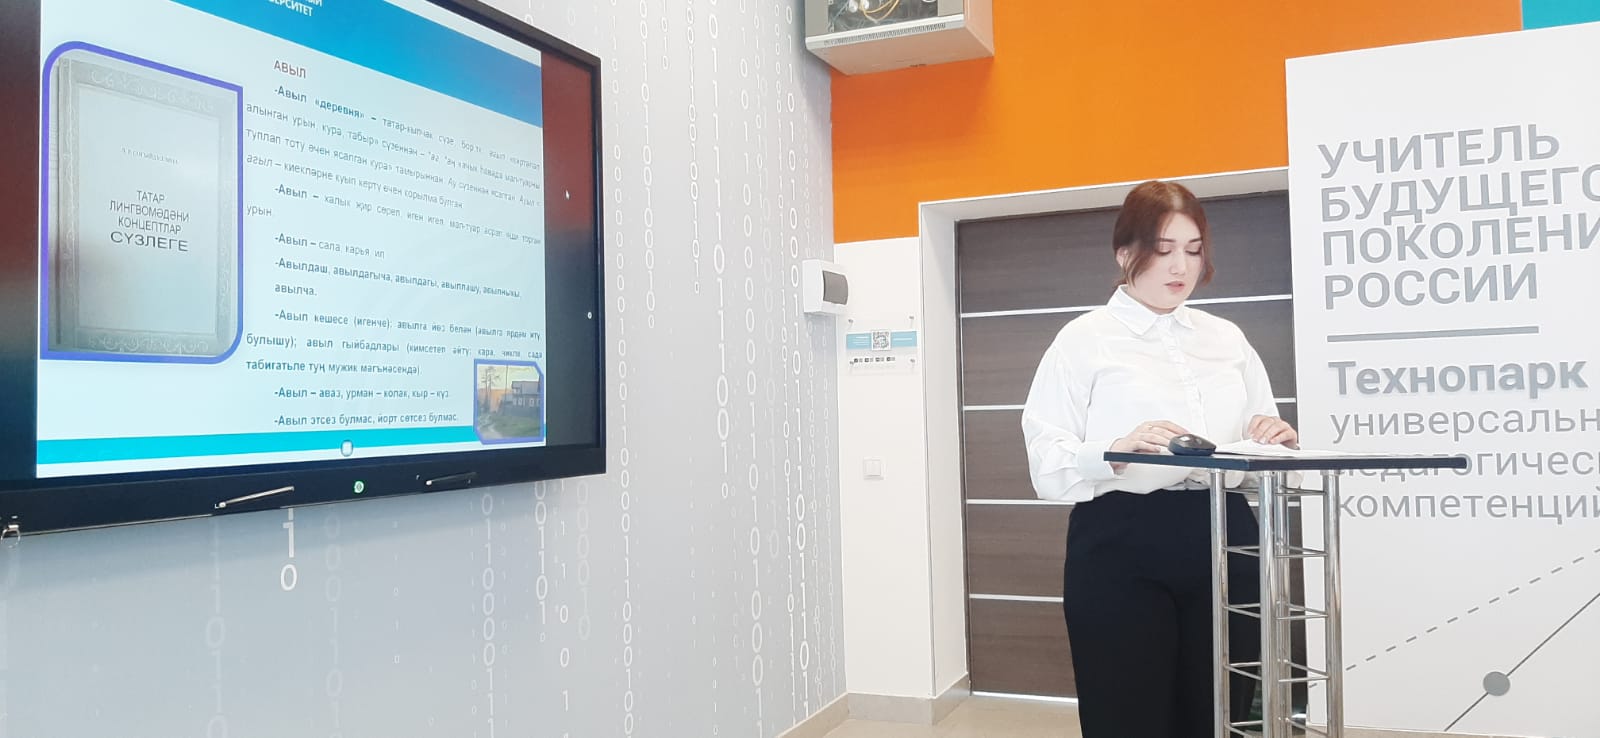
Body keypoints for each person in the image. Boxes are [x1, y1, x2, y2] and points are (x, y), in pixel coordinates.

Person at [1020, 180, 1297, 738]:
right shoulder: (1084, 339)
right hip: (1122, 536)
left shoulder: (1227, 338)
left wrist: (1274, 437)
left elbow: (1257, 430)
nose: (1181, 267)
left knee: (1219, 710)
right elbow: (1046, 457)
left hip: (1226, 532)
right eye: (1164, 249)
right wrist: (1113, 452)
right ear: (1125, 253)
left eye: (1193, 250)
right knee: (1127, 711)